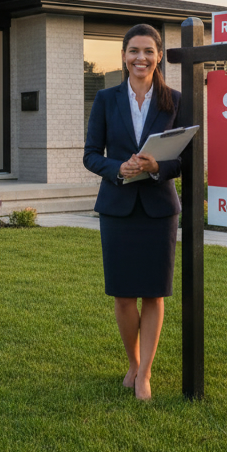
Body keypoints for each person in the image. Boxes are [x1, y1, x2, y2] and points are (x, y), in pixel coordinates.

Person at [82, 23, 183, 402]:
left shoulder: (174, 100)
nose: (141, 58)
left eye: (148, 51)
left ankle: (146, 374)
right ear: (124, 56)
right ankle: (133, 363)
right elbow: (91, 154)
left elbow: (187, 157)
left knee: (154, 295)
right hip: (118, 208)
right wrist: (117, 168)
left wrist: (157, 167)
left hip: (159, 210)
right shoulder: (106, 99)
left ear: (159, 57)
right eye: (134, 51)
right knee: (124, 296)